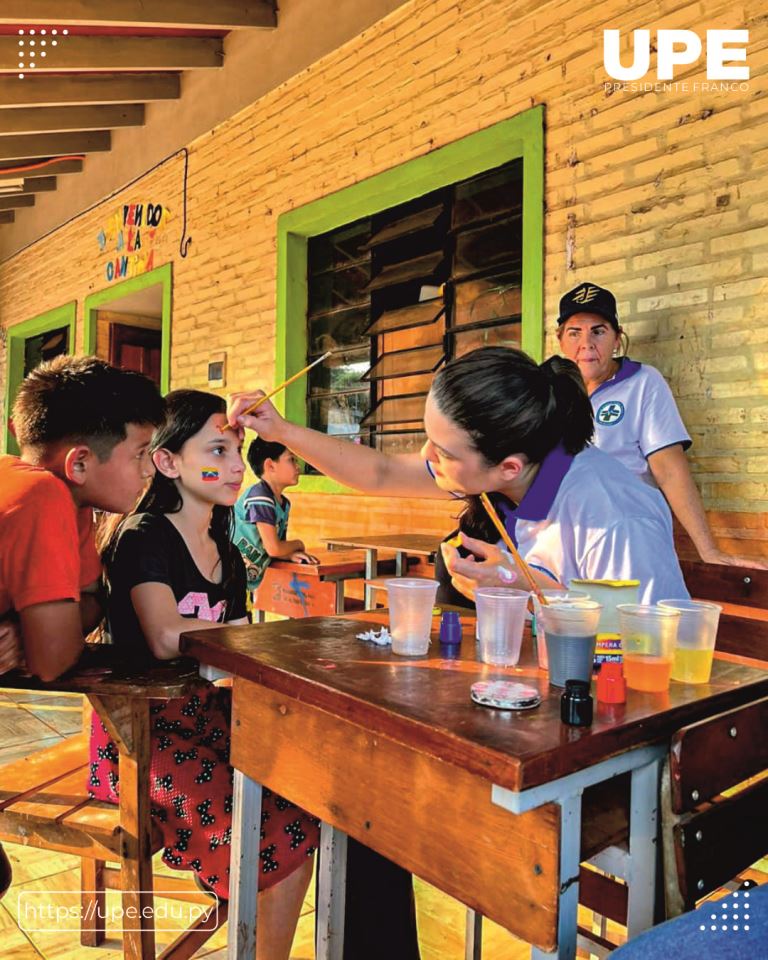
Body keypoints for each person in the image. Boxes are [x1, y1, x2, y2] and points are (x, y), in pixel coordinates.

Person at [91, 389, 318, 960]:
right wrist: (243, 641)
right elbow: (167, 638)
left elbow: (234, 657)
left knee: (313, 803)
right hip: (137, 738)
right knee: (272, 841)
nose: (237, 464)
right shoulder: (143, 536)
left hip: (206, 717)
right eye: (218, 448)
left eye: (238, 447)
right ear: (167, 462)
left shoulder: (226, 546)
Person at [227, 347, 689, 605]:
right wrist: (281, 428)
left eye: (443, 451)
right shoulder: (507, 471)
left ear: (508, 465)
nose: (428, 457)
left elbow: (649, 645)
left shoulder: (614, 518)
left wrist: (520, 584)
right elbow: (382, 472)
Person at [556, 281, 767, 570]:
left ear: (617, 338)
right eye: (574, 332)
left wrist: (709, 551)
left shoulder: (642, 382)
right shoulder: (552, 394)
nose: (586, 344)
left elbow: (669, 470)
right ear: (560, 340)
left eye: (599, 331)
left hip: (628, 538)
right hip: (565, 539)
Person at [1, 354, 165, 682]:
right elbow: (52, 662)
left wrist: (28, 630)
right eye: (139, 454)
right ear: (79, 464)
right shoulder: (42, 496)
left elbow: (92, 598)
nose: (149, 470)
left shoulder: (71, 500)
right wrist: (43, 637)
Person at [233, 438, 318, 592]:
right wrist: (298, 544)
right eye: (291, 460)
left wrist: (289, 555)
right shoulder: (260, 497)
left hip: (242, 583)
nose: (298, 467)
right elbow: (274, 548)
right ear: (270, 465)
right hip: (224, 578)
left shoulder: (282, 504)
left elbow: (278, 550)